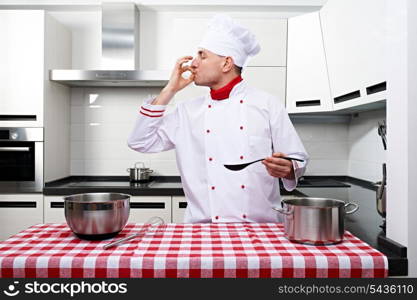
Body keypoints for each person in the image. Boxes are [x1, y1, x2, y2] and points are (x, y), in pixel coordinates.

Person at [128, 14, 309, 223]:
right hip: (203, 231)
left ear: (226, 64)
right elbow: (139, 141)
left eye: (202, 56)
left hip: (260, 230)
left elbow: (298, 159)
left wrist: (288, 169)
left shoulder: (267, 105)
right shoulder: (186, 112)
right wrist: (169, 90)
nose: (192, 64)